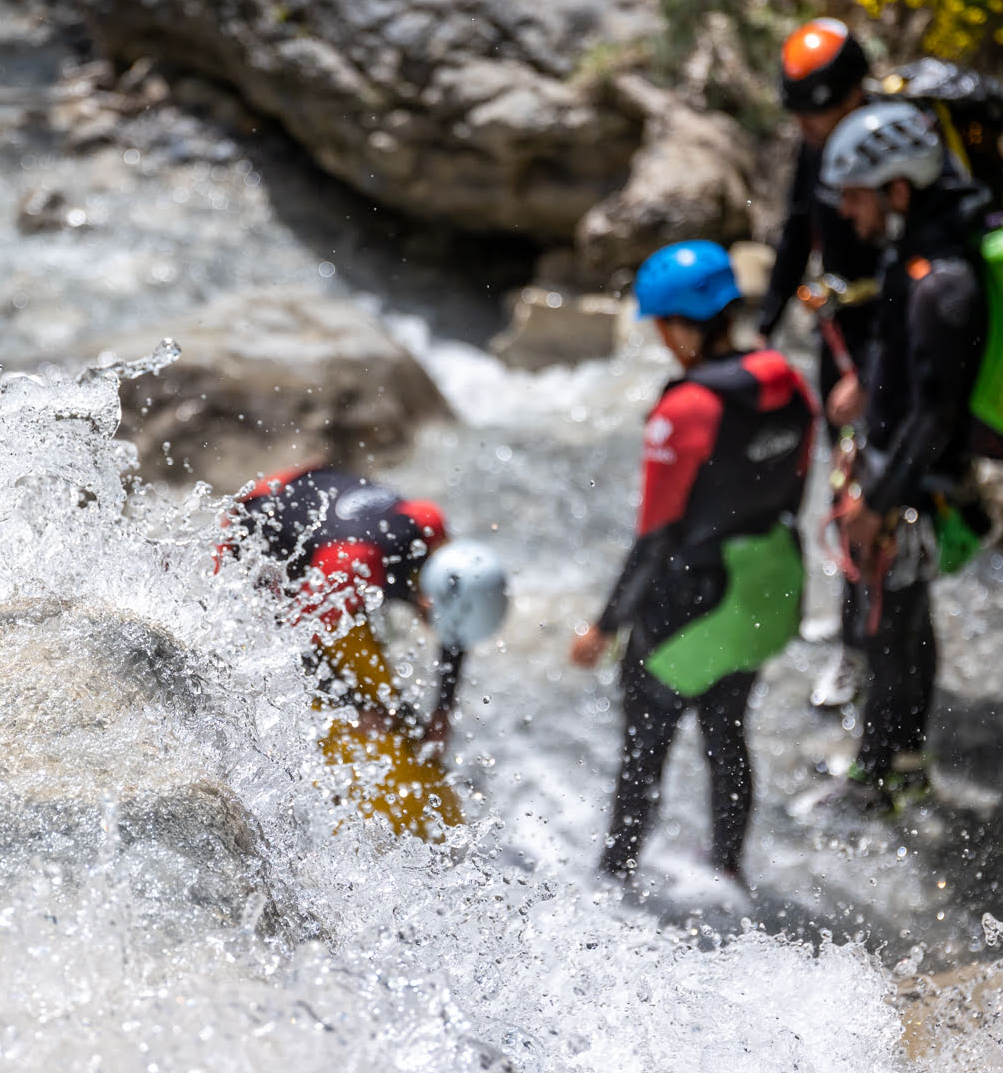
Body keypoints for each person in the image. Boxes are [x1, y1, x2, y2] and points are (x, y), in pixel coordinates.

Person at [570, 242, 817, 884]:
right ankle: (729, 870)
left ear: (681, 325)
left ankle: (613, 877)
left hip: (686, 603)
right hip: (761, 591)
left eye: (659, 325)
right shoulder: (786, 380)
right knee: (727, 732)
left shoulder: (685, 410)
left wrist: (604, 625)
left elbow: (654, 536)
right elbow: (793, 489)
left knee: (645, 748)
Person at [817, 100, 994, 815]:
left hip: (913, 487)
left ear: (898, 188)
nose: (850, 216)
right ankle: (908, 768)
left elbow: (935, 413)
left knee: (888, 632)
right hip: (907, 475)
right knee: (903, 625)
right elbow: (909, 365)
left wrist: (877, 502)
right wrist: (865, 379)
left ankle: (872, 781)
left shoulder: (943, 281)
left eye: (858, 198)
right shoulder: (919, 251)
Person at [218, 466, 506, 840]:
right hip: (254, 523)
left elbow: (456, 626)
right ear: (426, 599)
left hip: (311, 495)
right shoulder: (351, 565)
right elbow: (296, 644)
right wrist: (355, 709)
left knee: (386, 709)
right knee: (364, 717)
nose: (439, 634)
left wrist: (443, 710)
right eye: (438, 623)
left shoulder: (433, 531)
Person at [758, 17, 884, 711]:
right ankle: (851, 630)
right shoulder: (818, 143)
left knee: (870, 497)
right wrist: (765, 324)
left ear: (858, 94)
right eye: (800, 118)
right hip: (839, 336)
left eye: (821, 114)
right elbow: (795, 230)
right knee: (841, 490)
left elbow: (917, 273)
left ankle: (863, 650)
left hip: (885, 348)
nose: (809, 130)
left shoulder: (894, 151)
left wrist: (873, 379)